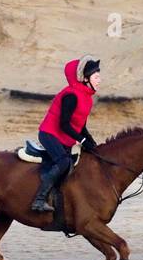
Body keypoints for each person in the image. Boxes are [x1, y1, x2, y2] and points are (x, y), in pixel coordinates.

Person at [30, 56, 100, 213]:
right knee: (63, 163)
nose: (99, 80)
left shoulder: (87, 98)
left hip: (64, 137)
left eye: (98, 76)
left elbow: (81, 127)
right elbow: (64, 124)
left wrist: (92, 144)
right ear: (85, 79)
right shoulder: (71, 95)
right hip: (49, 134)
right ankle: (39, 200)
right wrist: (82, 140)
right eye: (96, 77)